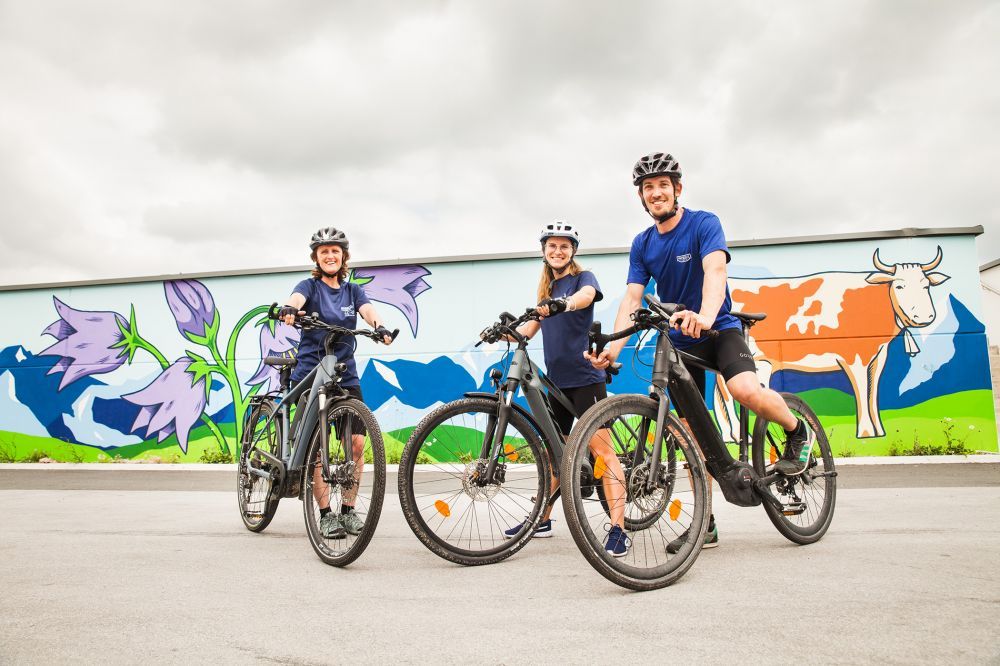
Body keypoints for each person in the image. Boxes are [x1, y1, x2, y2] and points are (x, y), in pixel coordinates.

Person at [586, 153, 815, 553]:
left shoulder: (703, 223)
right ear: (641, 197)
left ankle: (799, 432)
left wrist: (706, 316)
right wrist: (612, 349)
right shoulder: (642, 244)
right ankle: (705, 524)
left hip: (716, 329)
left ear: (677, 189)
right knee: (693, 434)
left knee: (745, 390)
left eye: (662, 185)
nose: (656, 193)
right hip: (678, 339)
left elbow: (715, 272)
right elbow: (633, 298)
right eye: (648, 188)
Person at [496, 222, 630, 557]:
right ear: (544, 251)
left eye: (564, 246)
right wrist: (502, 332)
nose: (558, 251)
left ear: (573, 251)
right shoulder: (546, 294)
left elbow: (585, 299)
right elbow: (526, 332)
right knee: (553, 453)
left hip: (586, 379)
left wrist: (562, 304)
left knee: (603, 453)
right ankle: (542, 519)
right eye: (552, 246)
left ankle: (618, 529)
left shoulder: (583, 280)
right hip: (556, 385)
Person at [278, 226, 394, 539]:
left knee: (355, 444)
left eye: (335, 251)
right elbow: (296, 298)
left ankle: (348, 510)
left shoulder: (352, 290)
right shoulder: (309, 286)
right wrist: (291, 309)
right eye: (324, 251)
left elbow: (367, 310)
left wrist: (379, 326)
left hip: (345, 374)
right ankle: (326, 514)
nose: (330, 255)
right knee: (318, 449)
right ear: (316, 256)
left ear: (343, 256)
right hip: (312, 373)